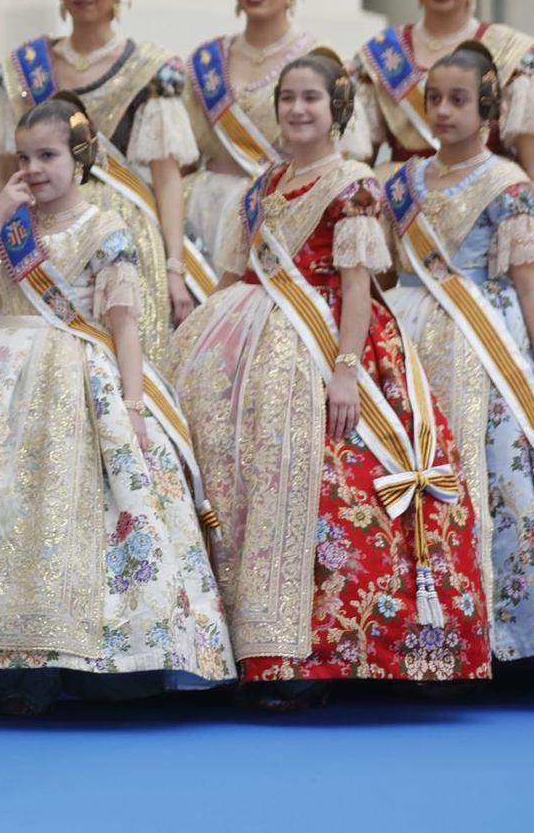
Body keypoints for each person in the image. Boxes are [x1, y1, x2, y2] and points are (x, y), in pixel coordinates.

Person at [169, 51, 490, 708]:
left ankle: (317, 658)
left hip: (332, 350)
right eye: (287, 97)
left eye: (311, 98)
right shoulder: (260, 186)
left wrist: (346, 372)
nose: (296, 109)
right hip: (253, 341)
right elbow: (236, 274)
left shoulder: (354, 184)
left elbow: (355, 285)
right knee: (244, 486)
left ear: (337, 108)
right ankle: (241, 646)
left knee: (323, 487)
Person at [0, 92, 233, 714]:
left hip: (74, 379)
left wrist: (137, 408)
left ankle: (63, 654)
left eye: (49, 155)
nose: (33, 168)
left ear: (80, 158)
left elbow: (124, 327)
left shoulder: (106, 227)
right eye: (24, 157)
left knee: (61, 507)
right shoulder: (9, 225)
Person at [381, 43, 534, 671]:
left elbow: (532, 286)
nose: (445, 112)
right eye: (435, 100)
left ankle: (510, 638)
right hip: (410, 334)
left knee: (506, 474)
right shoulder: (400, 183)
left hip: (489, 345)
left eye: (460, 101)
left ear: (487, 109)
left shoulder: (507, 182)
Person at [0, 0, 199, 363]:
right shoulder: (27, 70)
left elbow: (168, 178)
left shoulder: (149, 70)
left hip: (119, 230)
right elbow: (6, 168)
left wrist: (176, 267)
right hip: (38, 229)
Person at [345, 0, 534, 229]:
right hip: (403, 213)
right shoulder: (381, 53)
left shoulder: (511, 53)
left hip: (485, 209)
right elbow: (357, 162)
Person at [182, 0, 321, 267]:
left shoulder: (319, 58)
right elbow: (184, 156)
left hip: (282, 212)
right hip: (200, 214)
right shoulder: (205, 61)